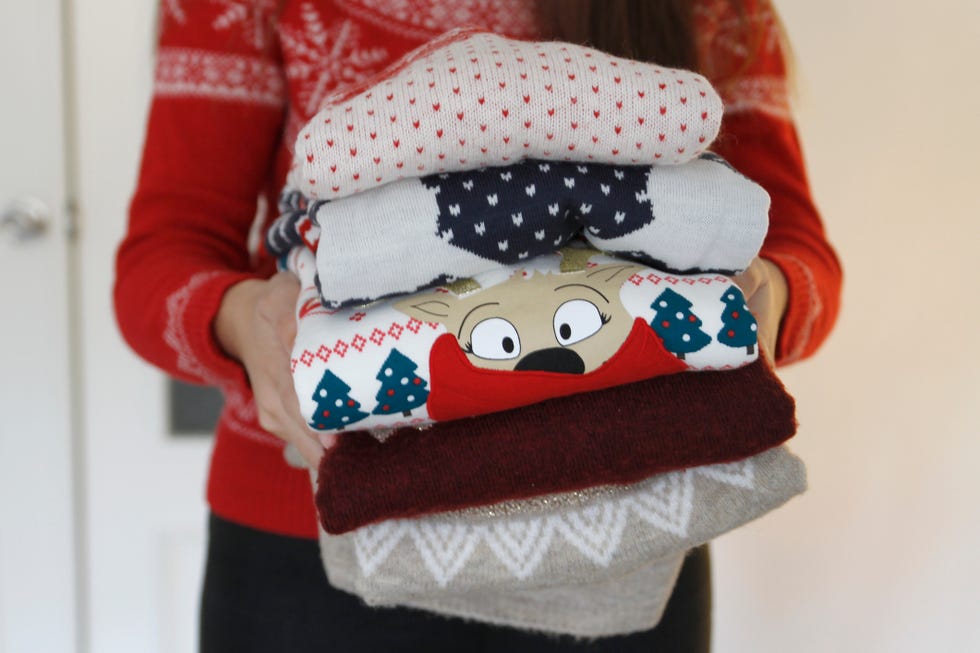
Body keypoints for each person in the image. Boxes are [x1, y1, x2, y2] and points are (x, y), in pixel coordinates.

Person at [114, 1, 841, 651]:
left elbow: (790, 245)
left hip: (633, 533)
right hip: (306, 550)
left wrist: (752, 304)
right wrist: (245, 321)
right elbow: (162, 254)